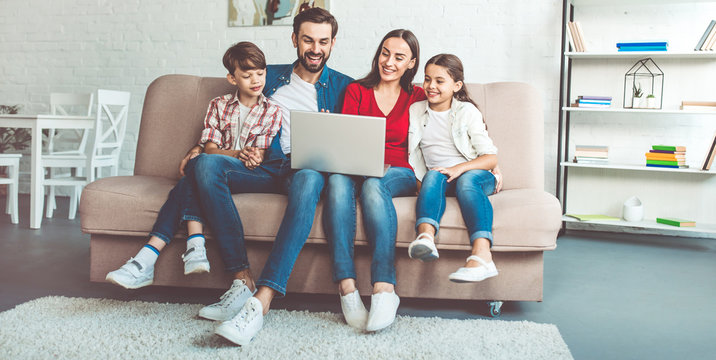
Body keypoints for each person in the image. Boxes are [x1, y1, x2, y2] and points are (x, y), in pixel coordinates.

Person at [195, 8, 352, 346]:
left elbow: (354, 145)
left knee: (309, 178)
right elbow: (229, 113)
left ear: (333, 44)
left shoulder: (346, 88)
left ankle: (261, 301)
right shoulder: (269, 75)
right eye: (308, 39)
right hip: (265, 167)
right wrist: (198, 149)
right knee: (206, 167)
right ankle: (241, 281)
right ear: (295, 39)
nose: (315, 48)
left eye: (323, 42)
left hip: (306, 171)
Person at [106, 42, 283, 324]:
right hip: (217, 169)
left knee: (198, 165)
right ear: (232, 78)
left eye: (260, 73)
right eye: (247, 75)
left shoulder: (273, 110)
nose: (256, 80)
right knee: (201, 166)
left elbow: (255, 159)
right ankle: (165, 255)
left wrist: (224, 155)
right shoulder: (218, 105)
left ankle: (157, 253)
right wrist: (233, 153)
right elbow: (211, 150)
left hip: (252, 174)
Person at [324, 29, 425, 332]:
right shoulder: (357, 91)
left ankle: (384, 288)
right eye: (385, 53)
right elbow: (345, 142)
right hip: (356, 167)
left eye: (399, 57)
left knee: (373, 184)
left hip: (398, 171)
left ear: (411, 63)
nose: (389, 61)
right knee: (337, 183)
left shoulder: (419, 95)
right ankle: (346, 286)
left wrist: (488, 164)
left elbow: (457, 118)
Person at [407, 53, 502, 283]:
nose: (431, 86)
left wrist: (459, 168)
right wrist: (421, 180)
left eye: (440, 81)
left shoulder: (466, 112)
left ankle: (482, 256)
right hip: (442, 178)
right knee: (433, 174)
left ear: (456, 85)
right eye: (427, 79)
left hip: (476, 175)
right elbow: (414, 154)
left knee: (467, 181)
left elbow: (490, 157)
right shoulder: (416, 111)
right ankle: (426, 239)